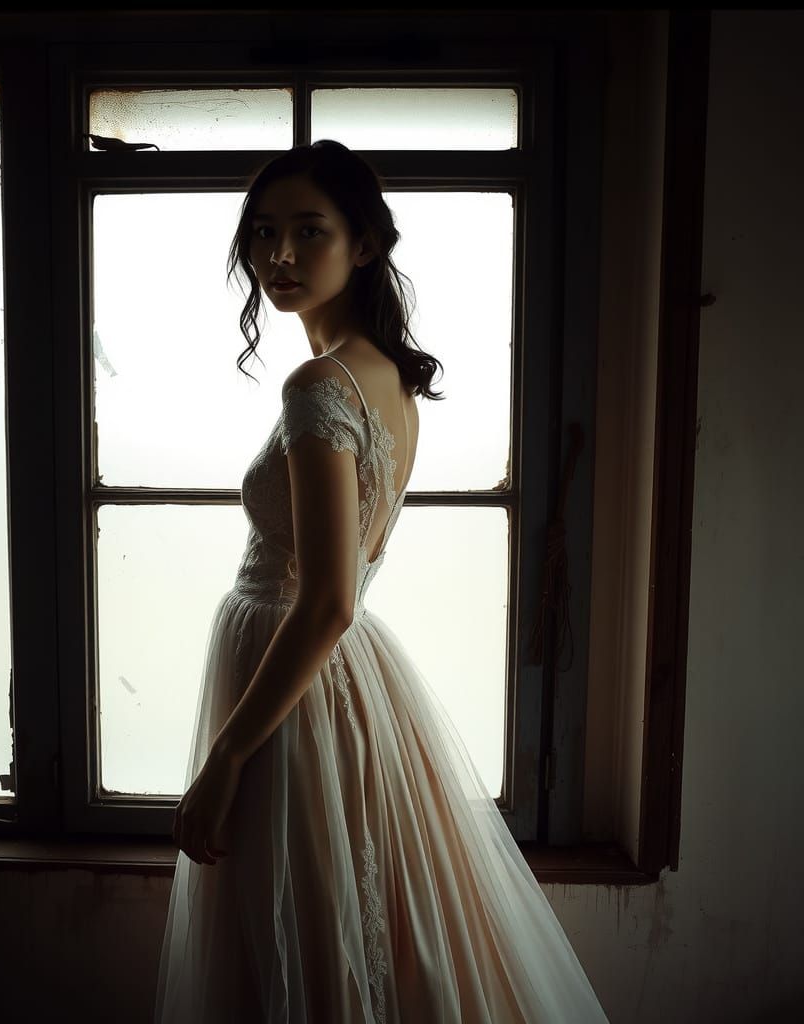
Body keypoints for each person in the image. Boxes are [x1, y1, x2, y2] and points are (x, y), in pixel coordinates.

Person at [154, 140, 610, 1023]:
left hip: (295, 684)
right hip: (337, 678)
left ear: (363, 244)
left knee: (306, 938)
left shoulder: (320, 385)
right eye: (264, 233)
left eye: (309, 231)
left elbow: (328, 599)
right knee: (345, 929)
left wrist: (226, 758)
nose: (280, 255)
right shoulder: (386, 376)